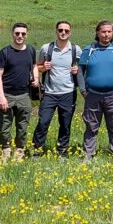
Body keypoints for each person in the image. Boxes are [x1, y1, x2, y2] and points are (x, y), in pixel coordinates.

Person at [79, 20, 113, 160]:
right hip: (92, 96)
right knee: (91, 127)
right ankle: (88, 155)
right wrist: (83, 91)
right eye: (103, 31)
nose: (106, 34)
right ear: (97, 33)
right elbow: (80, 70)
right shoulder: (89, 49)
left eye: (109, 31)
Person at [33, 21, 80, 155]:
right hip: (49, 93)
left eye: (66, 30)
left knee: (65, 124)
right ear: (56, 31)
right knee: (43, 122)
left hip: (68, 93)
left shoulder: (76, 50)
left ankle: (62, 151)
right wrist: (43, 68)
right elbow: (37, 66)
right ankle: (37, 150)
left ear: (70, 32)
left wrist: (77, 70)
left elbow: (84, 69)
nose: (63, 33)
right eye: (60, 30)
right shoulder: (46, 48)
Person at [0, 23, 39, 162]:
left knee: (23, 126)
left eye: (23, 34)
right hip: (7, 95)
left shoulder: (31, 50)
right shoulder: (5, 52)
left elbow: (34, 66)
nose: (20, 36)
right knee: (4, 126)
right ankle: (6, 151)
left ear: (27, 35)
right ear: (12, 34)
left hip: (24, 95)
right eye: (17, 33)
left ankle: (20, 151)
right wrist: (1, 96)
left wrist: (36, 78)